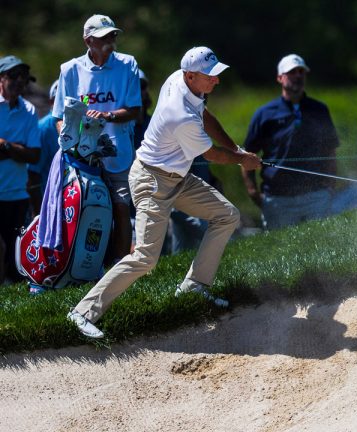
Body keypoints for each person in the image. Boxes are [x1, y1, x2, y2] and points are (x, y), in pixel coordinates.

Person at [66, 47, 261, 338]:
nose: (216, 81)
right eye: (211, 76)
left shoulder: (181, 80)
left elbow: (206, 116)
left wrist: (237, 149)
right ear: (191, 75)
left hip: (177, 177)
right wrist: (243, 160)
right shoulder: (179, 114)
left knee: (227, 215)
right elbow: (212, 155)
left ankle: (194, 286)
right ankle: (81, 312)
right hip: (152, 182)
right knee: (146, 257)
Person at [52, 14, 142, 265]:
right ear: (88, 41)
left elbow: (135, 109)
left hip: (119, 152)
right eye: (104, 37)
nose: (111, 41)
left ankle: (120, 267)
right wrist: (68, 140)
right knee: (81, 211)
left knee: (121, 209)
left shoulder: (128, 64)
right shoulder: (70, 70)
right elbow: (59, 116)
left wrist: (107, 115)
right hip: (81, 156)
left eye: (113, 35)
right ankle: (81, 266)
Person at [241, 54, 340, 230]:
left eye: (301, 72)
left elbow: (330, 150)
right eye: (291, 72)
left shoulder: (319, 110)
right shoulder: (264, 114)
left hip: (316, 195)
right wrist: (253, 191)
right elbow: (247, 156)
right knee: (280, 252)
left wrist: (330, 187)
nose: (298, 76)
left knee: (321, 247)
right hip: (277, 198)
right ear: (280, 78)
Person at [0, 55, 41, 284]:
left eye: (23, 78)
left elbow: (34, 154)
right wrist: (19, 150)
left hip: (17, 194)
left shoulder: (29, 110)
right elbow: (26, 151)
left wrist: (5, 145)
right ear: (1, 78)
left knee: (15, 254)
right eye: (13, 76)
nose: (19, 82)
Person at [28, 79, 60, 216]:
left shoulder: (82, 125)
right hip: (50, 202)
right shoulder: (43, 128)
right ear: (51, 102)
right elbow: (33, 174)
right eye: (60, 99)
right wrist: (39, 215)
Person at [133, 69, 152, 149]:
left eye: (141, 85)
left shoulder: (154, 124)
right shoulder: (119, 128)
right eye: (133, 86)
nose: (138, 91)